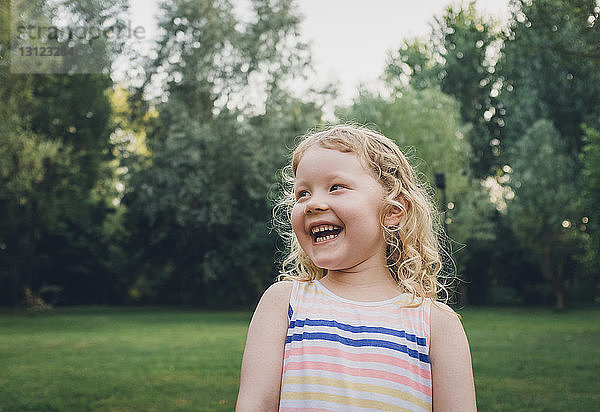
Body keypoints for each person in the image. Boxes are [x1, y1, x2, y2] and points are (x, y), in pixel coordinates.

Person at [236, 124, 476, 411]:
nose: (312, 204)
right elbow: (255, 404)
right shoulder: (284, 303)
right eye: (302, 194)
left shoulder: (436, 324)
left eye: (336, 187)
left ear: (391, 212)